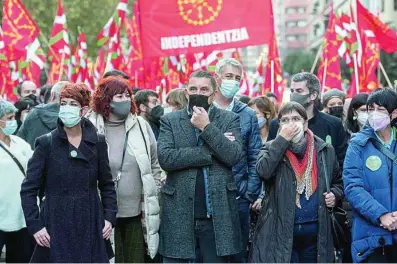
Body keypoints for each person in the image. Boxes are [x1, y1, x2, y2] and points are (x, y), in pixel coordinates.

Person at [20, 83, 117, 263]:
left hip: (90, 224)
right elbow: (28, 190)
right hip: (54, 226)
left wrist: (109, 218)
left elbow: (107, 184)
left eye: (73, 104)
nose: (67, 109)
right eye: (64, 103)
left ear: (84, 110)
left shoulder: (97, 142)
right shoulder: (46, 143)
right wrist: (36, 226)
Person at [158, 70, 243, 263]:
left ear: (213, 94)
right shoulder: (170, 121)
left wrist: (207, 127)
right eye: (193, 88)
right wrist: (209, 152)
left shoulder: (229, 119)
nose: (199, 93)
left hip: (216, 215)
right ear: (186, 92)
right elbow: (166, 158)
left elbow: (233, 155)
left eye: (204, 89)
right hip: (179, 212)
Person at [250, 102, 343, 263]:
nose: (291, 124)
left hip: (315, 234)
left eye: (295, 118)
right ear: (279, 125)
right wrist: (282, 141)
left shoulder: (324, 149)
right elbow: (264, 171)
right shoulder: (270, 148)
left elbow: (338, 183)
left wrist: (334, 195)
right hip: (281, 234)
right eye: (285, 120)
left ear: (305, 123)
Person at [85, 76, 161, 262]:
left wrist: (154, 190)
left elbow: (154, 165)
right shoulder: (89, 127)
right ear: (106, 99)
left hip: (136, 213)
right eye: (119, 96)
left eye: (128, 95)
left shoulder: (141, 126)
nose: (126, 99)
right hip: (102, 215)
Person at [343, 88, 397, 263]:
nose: (373, 114)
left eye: (380, 110)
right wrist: (381, 215)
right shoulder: (358, 144)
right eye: (371, 109)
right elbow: (352, 186)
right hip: (371, 234)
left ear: (394, 113)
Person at [213, 58, 262, 262]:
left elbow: (255, 156)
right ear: (217, 78)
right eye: (228, 76)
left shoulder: (247, 114)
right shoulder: (203, 110)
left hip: (238, 195)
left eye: (237, 78)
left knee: (237, 255)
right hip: (209, 197)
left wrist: (249, 191)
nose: (233, 82)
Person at [268, 72, 348, 168]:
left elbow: (342, 162)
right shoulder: (277, 124)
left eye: (299, 91)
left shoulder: (333, 124)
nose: (293, 95)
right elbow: (270, 158)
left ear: (313, 95)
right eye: (292, 91)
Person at [0, 100, 35, 263]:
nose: (14, 121)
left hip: (21, 217)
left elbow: (34, 171)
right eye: (9, 117)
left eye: (14, 117)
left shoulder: (20, 144)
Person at [247, 96, 277, 247]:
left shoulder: (276, 139)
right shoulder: (246, 137)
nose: (252, 118)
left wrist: (262, 196)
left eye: (256, 114)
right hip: (249, 198)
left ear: (267, 115)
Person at [17, 81, 69, 149]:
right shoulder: (75, 119)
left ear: (52, 95)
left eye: (33, 92)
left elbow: (18, 142)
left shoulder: (33, 113)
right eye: (27, 92)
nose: (31, 95)